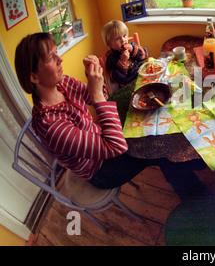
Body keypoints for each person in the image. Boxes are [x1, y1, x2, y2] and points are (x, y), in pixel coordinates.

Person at [15, 32, 162, 189]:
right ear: (34, 77)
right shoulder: (51, 126)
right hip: (101, 170)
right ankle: (187, 194)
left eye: (57, 52)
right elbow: (116, 147)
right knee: (157, 149)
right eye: (51, 58)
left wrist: (92, 78)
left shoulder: (64, 83)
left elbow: (102, 96)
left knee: (149, 128)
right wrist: (97, 95)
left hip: (103, 137)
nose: (60, 59)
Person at [101, 20, 148, 87]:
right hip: (130, 83)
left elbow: (145, 55)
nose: (123, 40)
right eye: (117, 39)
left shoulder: (131, 45)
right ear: (109, 44)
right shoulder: (111, 58)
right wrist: (122, 62)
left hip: (143, 73)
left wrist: (133, 49)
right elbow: (119, 79)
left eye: (124, 36)